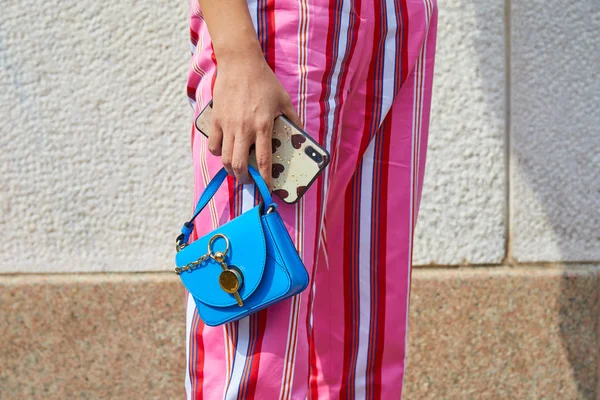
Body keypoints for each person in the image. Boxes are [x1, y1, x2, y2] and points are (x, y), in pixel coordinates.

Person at [184, 0, 438, 398]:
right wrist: (237, 52)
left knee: (362, 338)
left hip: (396, 21)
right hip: (281, 26)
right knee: (258, 335)